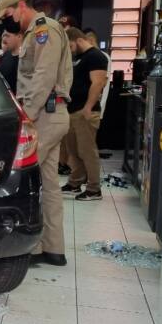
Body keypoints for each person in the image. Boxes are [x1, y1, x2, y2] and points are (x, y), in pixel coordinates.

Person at [0, 0, 72, 267]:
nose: (6, 22)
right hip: (51, 113)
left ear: (21, 6)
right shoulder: (32, 34)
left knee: (27, 180)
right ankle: (53, 248)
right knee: (48, 185)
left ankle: (31, 246)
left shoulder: (43, 30)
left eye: (8, 15)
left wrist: (28, 116)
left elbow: (43, 77)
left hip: (44, 115)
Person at [61, 27, 109, 201]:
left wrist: (88, 107)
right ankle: (75, 183)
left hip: (85, 111)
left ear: (78, 40)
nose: (70, 50)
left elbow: (97, 83)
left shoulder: (96, 56)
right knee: (73, 151)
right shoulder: (79, 57)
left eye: (70, 46)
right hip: (72, 111)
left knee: (88, 151)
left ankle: (94, 189)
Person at [0, 23, 23, 93]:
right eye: (3, 35)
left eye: (7, 35)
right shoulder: (6, 54)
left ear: (19, 36)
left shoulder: (25, 59)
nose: (4, 38)